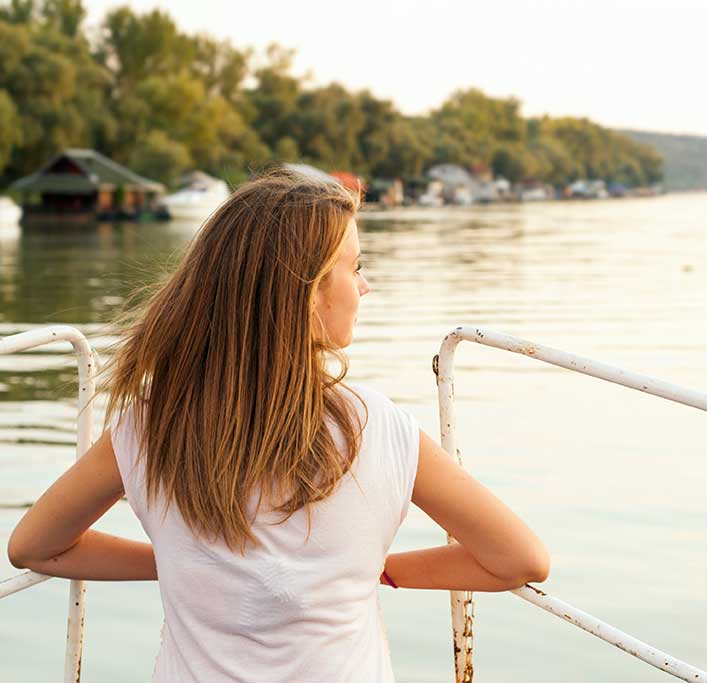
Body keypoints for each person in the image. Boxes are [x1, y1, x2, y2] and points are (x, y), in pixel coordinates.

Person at [6, 168, 550, 682]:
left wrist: (179, 564)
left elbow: (35, 547)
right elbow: (519, 560)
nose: (365, 288)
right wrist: (380, 570)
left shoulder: (149, 426)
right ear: (310, 290)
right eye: (355, 268)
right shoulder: (375, 426)